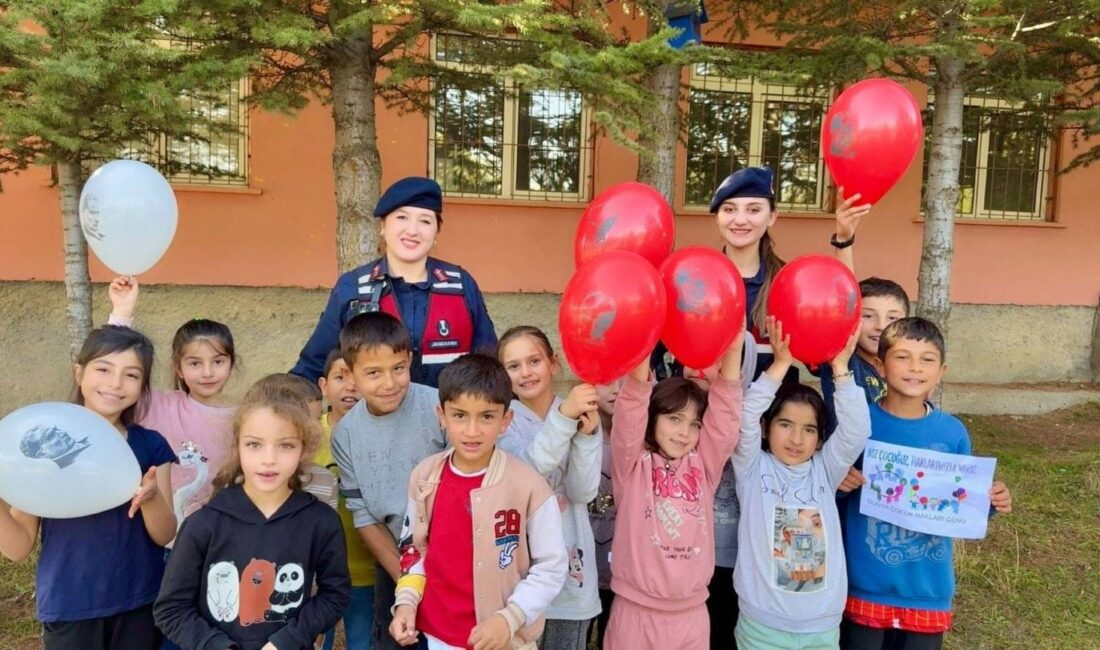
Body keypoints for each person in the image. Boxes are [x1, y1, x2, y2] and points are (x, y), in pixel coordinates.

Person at [651, 166, 868, 648]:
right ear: (717, 217)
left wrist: (843, 240)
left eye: (753, 209)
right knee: (701, 562)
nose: (740, 219)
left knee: (756, 556)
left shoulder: (788, 284)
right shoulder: (694, 280)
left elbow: (839, 321)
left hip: (763, 456)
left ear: (772, 216)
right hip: (700, 449)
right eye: (729, 209)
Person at [838, 318, 1013, 650]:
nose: (915, 368)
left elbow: (962, 502)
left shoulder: (953, 432)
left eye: (927, 359)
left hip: (928, 589)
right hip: (864, 584)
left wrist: (990, 501)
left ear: (942, 370)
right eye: (902, 357)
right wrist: (840, 481)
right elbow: (829, 495)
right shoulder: (858, 424)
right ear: (880, 365)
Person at [0, 325, 176, 650]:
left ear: (142, 386)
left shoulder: (151, 446)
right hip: (70, 606)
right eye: (103, 369)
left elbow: (165, 534)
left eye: (131, 375)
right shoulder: (44, 454)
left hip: (139, 602)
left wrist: (151, 499)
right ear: (79, 373)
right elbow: (18, 547)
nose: (115, 383)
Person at [154, 375, 351, 650]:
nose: (269, 459)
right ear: (237, 446)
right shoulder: (203, 524)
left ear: (304, 449)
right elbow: (171, 609)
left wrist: (286, 641)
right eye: (254, 444)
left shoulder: (321, 522)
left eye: (285, 445)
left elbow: (335, 595)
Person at [388, 353, 568, 650]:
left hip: (504, 639)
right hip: (437, 636)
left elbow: (552, 566)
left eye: (486, 416)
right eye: (460, 415)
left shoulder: (529, 487)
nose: (472, 431)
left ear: (505, 420)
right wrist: (406, 603)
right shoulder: (424, 477)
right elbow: (414, 550)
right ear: (442, 415)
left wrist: (509, 619)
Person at [732, 319, 870, 648]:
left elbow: (856, 432)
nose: (796, 439)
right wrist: (781, 364)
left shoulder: (825, 470)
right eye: (785, 424)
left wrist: (841, 370)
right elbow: (745, 416)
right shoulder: (751, 467)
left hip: (821, 627)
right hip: (761, 626)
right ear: (766, 428)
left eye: (809, 430)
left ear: (820, 439)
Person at [604, 330, 745, 649]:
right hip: (635, 614)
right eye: (674, 419)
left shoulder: (703, 466)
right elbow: (631, 409)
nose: (684, 432)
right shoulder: (632, 465)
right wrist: (643, 336)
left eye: (695, 424)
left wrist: (733, 350)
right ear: (653, 418)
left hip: (691, 616)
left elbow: (724, 420)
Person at [291, 176, 497, 387]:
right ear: (382, 226)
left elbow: (490, 364)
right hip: (374, 409)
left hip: (448, 408)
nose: (412, 230)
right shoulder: (353, 287)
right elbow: (313, 366)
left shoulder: (461, 286)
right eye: (402, 217)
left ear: (436, 231)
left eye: (425, 221)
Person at [330, 313, 448, 650]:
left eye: (398, 368)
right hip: (395, 558)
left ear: (409, 359)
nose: (389, 383)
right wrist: (410, 583)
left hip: (455, 557)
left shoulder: (438, 406)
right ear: (350, 375)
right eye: (373, 373)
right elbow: (364, 516)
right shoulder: (346, 435)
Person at [496, 326, 602, 649]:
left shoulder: (579, 413)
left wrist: (586, 438)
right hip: (520, 584)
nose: (526, 372)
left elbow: (583, 492)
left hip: (572, 572)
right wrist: (564, 417)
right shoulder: (503, 422)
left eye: (534, 361)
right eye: (514, 366)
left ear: (553, 363)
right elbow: (528, 473)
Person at [108, 276, 237, 529]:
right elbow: (116, 370)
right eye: (195, 363)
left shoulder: (243, 415)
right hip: (164, 532)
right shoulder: (159, 406)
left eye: (218, 362)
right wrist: (122, 312)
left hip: (223, 532)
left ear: (231, 364)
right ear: (178, 368)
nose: (208, 372)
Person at [314, 349, 377, 650]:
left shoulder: (379, 435)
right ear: (324, 385)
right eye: (341, 377)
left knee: (362, 642)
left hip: (367, 569)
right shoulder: (309, 435)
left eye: (357, 377)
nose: (350, 386)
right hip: (317, 572)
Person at [819, 277, 909, 437]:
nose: (881, 326)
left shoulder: (909, 371)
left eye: (892, 318)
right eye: (867, 316)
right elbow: (842, 294)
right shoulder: (842, 359)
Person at [587, 378, 621, 649]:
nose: (616, 389)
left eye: (625, 380)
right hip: (582, 568)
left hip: (621, 572)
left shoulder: (644, 441)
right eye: (607, 381)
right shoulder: (579, 436)